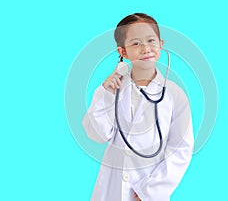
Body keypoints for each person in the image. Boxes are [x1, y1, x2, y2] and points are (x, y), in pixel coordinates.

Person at [82, 13, 194, 201]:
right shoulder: (112, 90)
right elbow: (98, 135)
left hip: (149, 191)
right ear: (123, 52)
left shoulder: (175, 96)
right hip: (112, 190)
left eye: (151, 40)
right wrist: (104, 95)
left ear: (161, 44)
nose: (145, 49)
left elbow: (180, 149)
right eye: (135, 43)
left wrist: (149, 191)